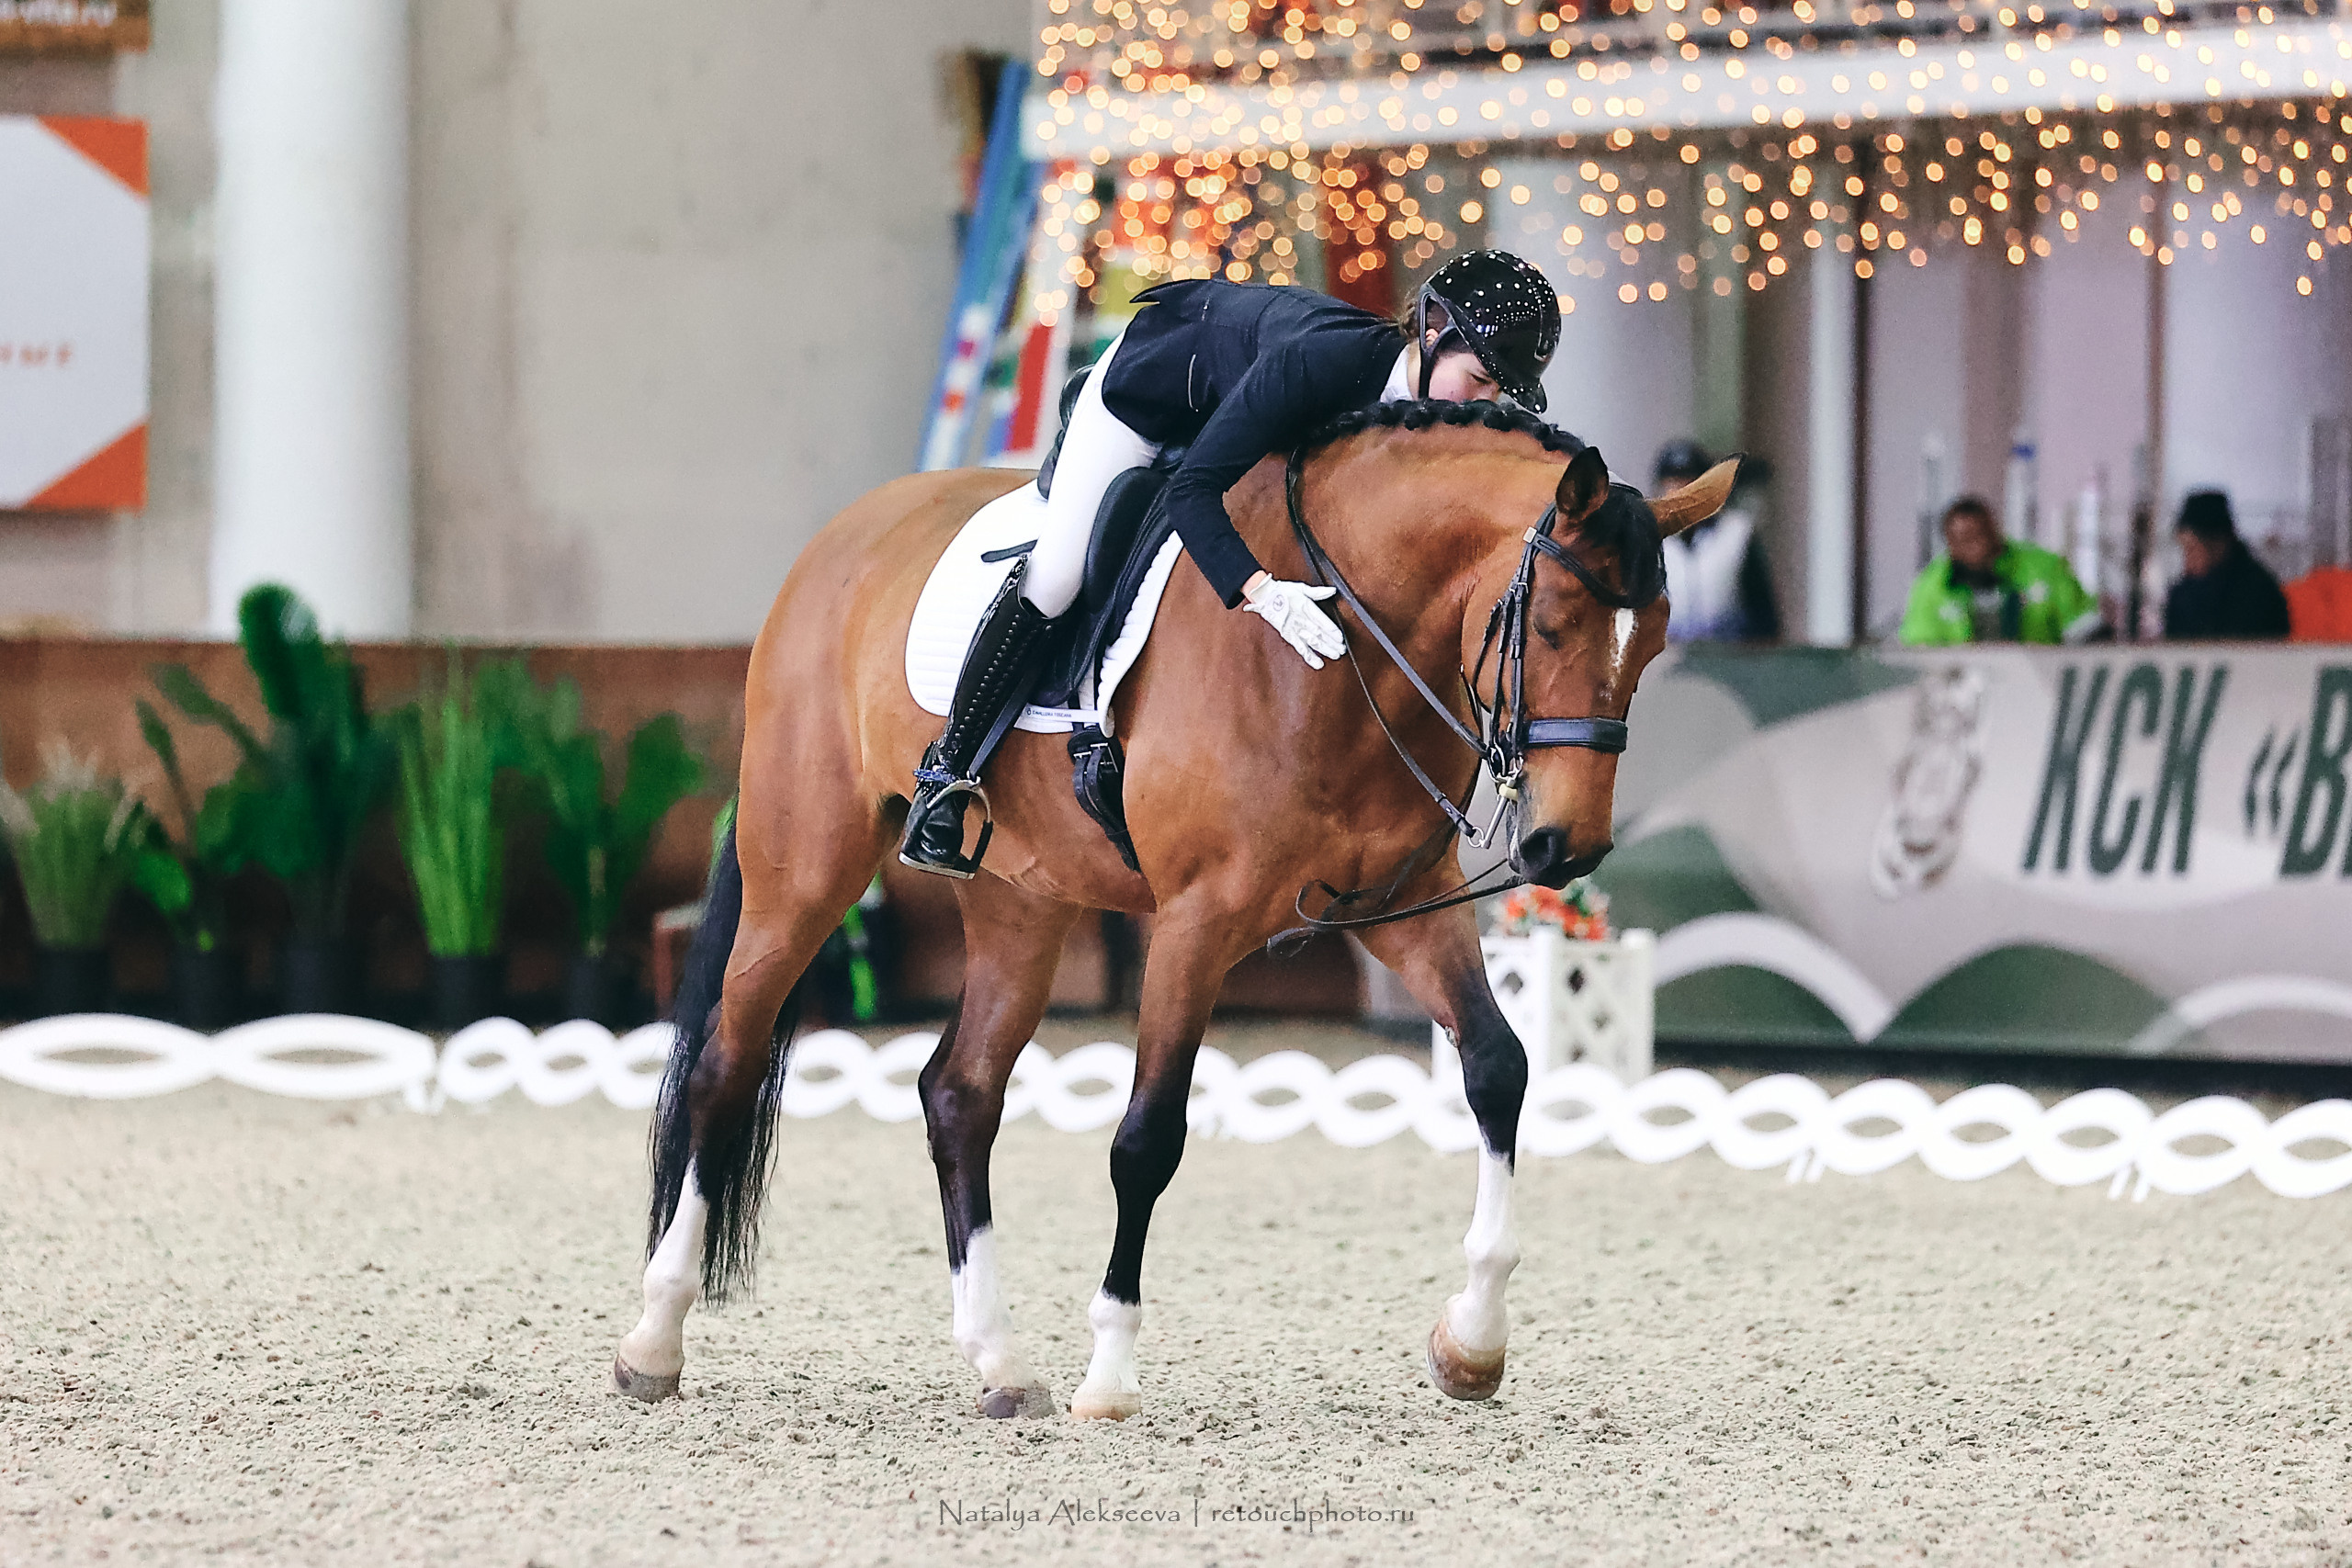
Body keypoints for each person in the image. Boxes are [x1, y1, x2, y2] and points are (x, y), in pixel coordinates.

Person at [899, 251, 1563, 876]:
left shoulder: (1422, 418)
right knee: (1060, 573)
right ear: (1431, 331)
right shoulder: (1323, 365)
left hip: (1231, 408)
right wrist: (1263, 591)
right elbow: (1193, 490)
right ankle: (946, 773)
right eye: (1478, 379)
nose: (1483, 404)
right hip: (1149, 399)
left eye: (1499, 393)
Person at [1897, 495, 2101, 646]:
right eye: (1968, 540)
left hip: (2041, 686)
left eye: (1985, 534)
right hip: (1965, 694)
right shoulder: (1932, 588)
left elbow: (2086, 629)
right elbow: (1919, 651)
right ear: (1950, 544)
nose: (1981, 546)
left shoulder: (2043, 568)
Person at [1653, 440, 1777, 643]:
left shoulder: (1737, 534)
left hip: (1729, 653)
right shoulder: (1647, 540)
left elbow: (1763, 612)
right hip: (1669, 657)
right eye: (1673, 485)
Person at [2164, 490, 2290, 640]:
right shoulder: (2182, 595)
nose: (2187, 559)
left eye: (2192, 549)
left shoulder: (2259, 593)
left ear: (2218, 544)